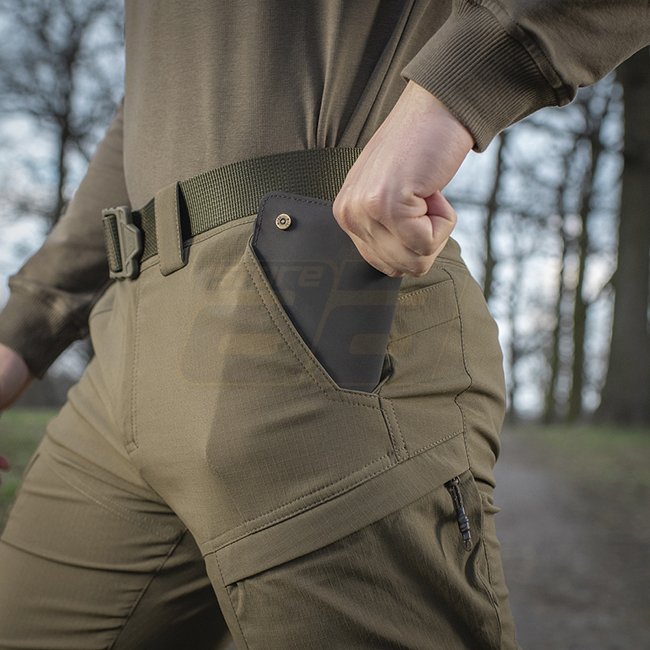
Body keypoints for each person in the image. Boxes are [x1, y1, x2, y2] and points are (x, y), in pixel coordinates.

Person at [0, 2, 647, 648]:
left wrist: (454, 92)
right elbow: (149, 102)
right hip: (124, 351)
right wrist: (23, 332)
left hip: (316, 299)